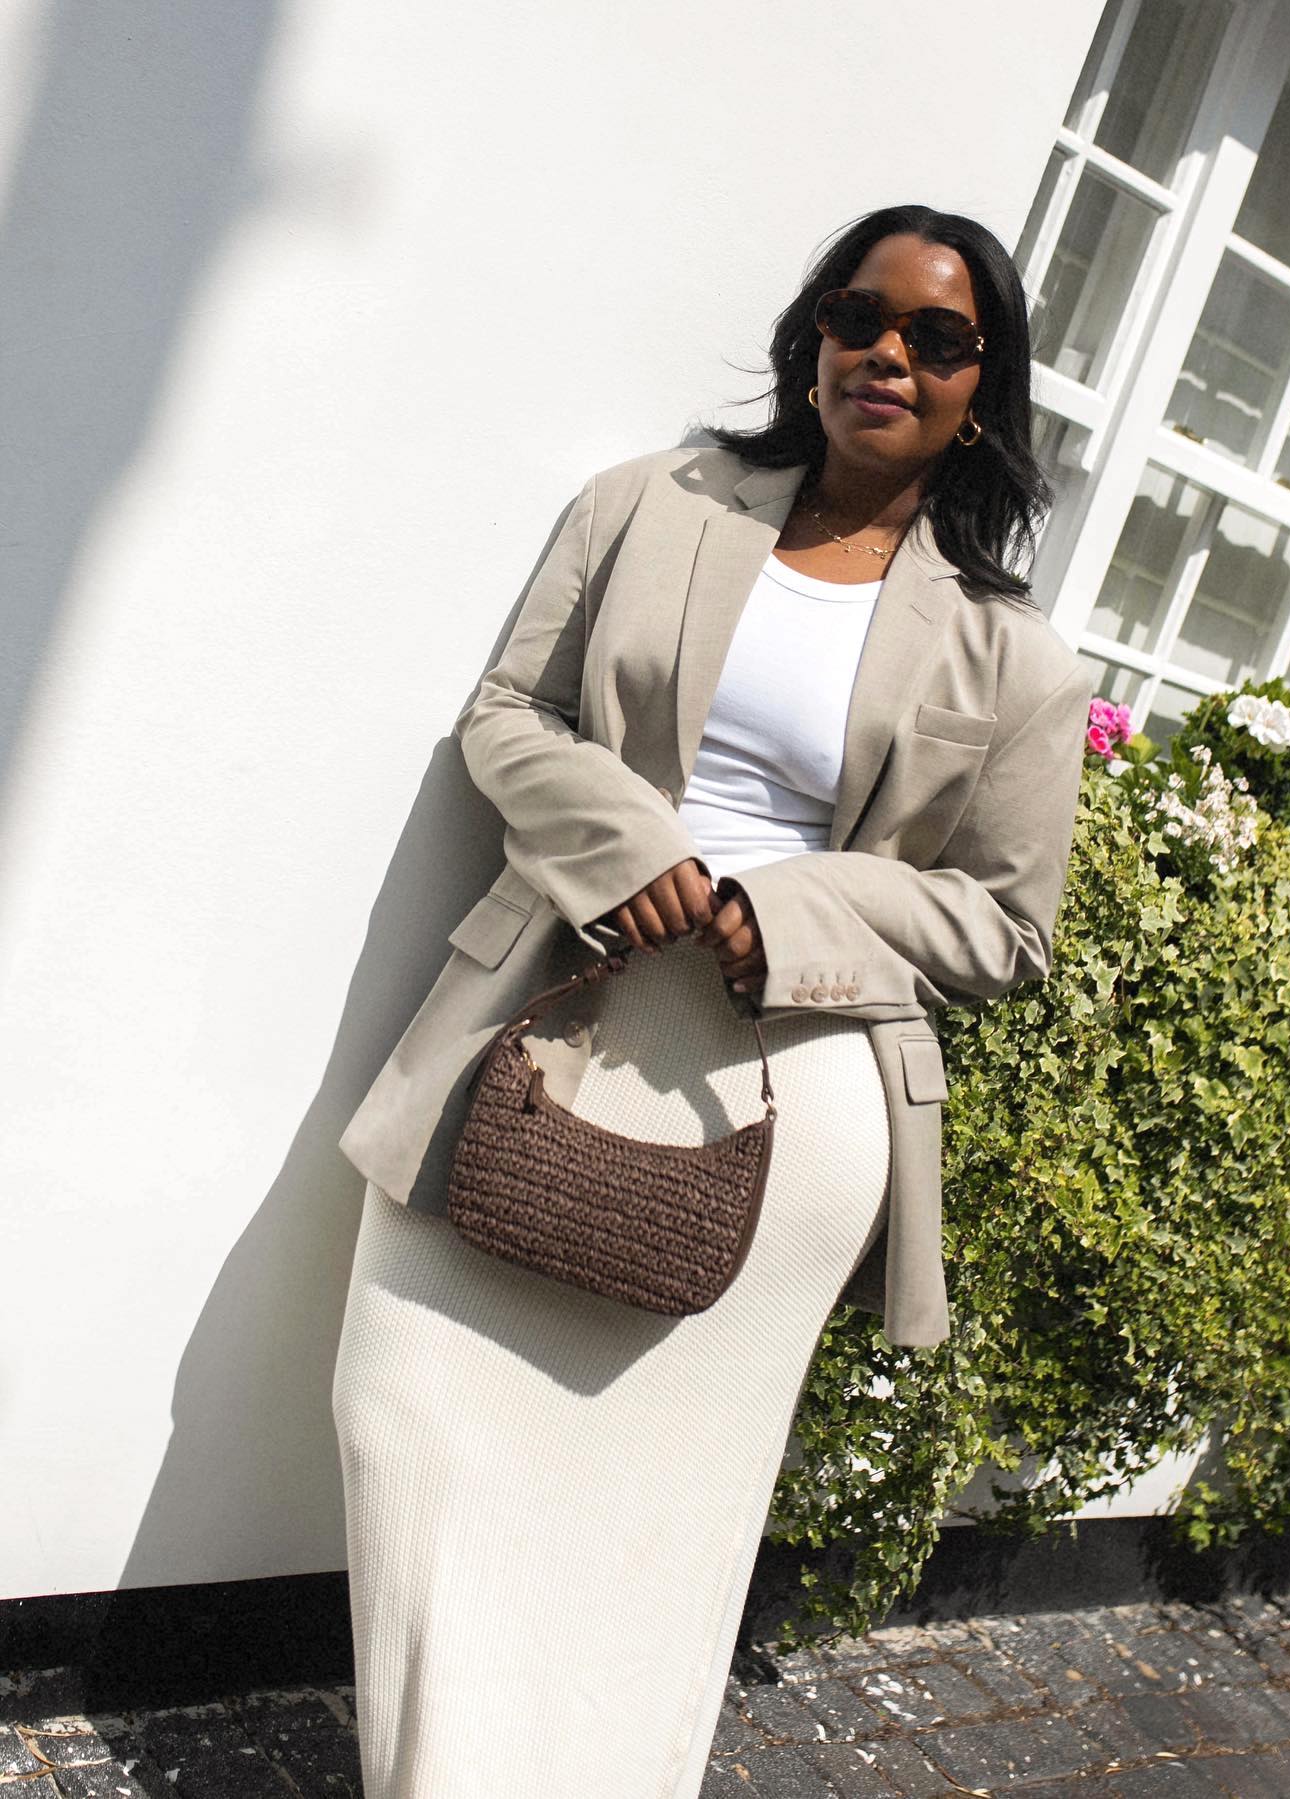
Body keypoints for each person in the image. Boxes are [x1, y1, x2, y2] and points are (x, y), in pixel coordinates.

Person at [330, 201, 1092, 1797]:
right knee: (405, 1413)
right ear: (810, 332)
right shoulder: (645, 504)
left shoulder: (1017, 660)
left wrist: (785, 907)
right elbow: (509, 714)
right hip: (548, 1008)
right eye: (858, 315)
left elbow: (1004, 924)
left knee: (650, 1533)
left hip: (786, 1083)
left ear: (983, 387)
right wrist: (634, 848)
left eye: (941, 339)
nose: (888, 353)